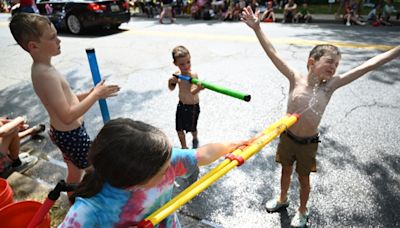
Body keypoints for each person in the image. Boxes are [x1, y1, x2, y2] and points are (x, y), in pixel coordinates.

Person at [241, 6, 400, 227]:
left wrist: (397, 50)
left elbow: (369, 64)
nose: (333, 67)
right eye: (329, 62)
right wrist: (257, 28)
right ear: (311, 62)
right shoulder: (295, 78)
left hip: (308, 143)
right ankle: (282, 198)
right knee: (285, 171)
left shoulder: (330, 86)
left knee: (303, 178)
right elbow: (273, 53)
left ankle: (303, 210)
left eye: (336, 65)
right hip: (287, 137)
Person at [58, 118, 243, 227]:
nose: (170, 168)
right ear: (133, 180)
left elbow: (203, 154)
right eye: (162, 171)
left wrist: (234, 145)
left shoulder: (162, 160)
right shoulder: (87, 212)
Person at [9, 13, 120, 190]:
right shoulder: (45, 75)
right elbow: (67, 116)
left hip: (66, 134)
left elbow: (68, 99)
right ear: (34, 46)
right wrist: (96, 95)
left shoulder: (45, 68)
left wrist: (90, 93)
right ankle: (88, 203)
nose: (59, 40)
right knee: (97, 171)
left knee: (75, 172)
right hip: (72, 135)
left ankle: (72, 198)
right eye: (52, 37)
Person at [168, 45, 203, 150]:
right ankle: (184, 147)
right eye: (182, 64)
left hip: (193, 107)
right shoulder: (177, 74)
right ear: (175, 64)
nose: (186, 66)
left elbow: (192, 91)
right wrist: (171, 81)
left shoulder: (193, 75)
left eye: (188, 62)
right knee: (179, 128)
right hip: (181, 105)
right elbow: (171, 88)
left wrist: (199, 88)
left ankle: (195, 138)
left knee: (192, 128)